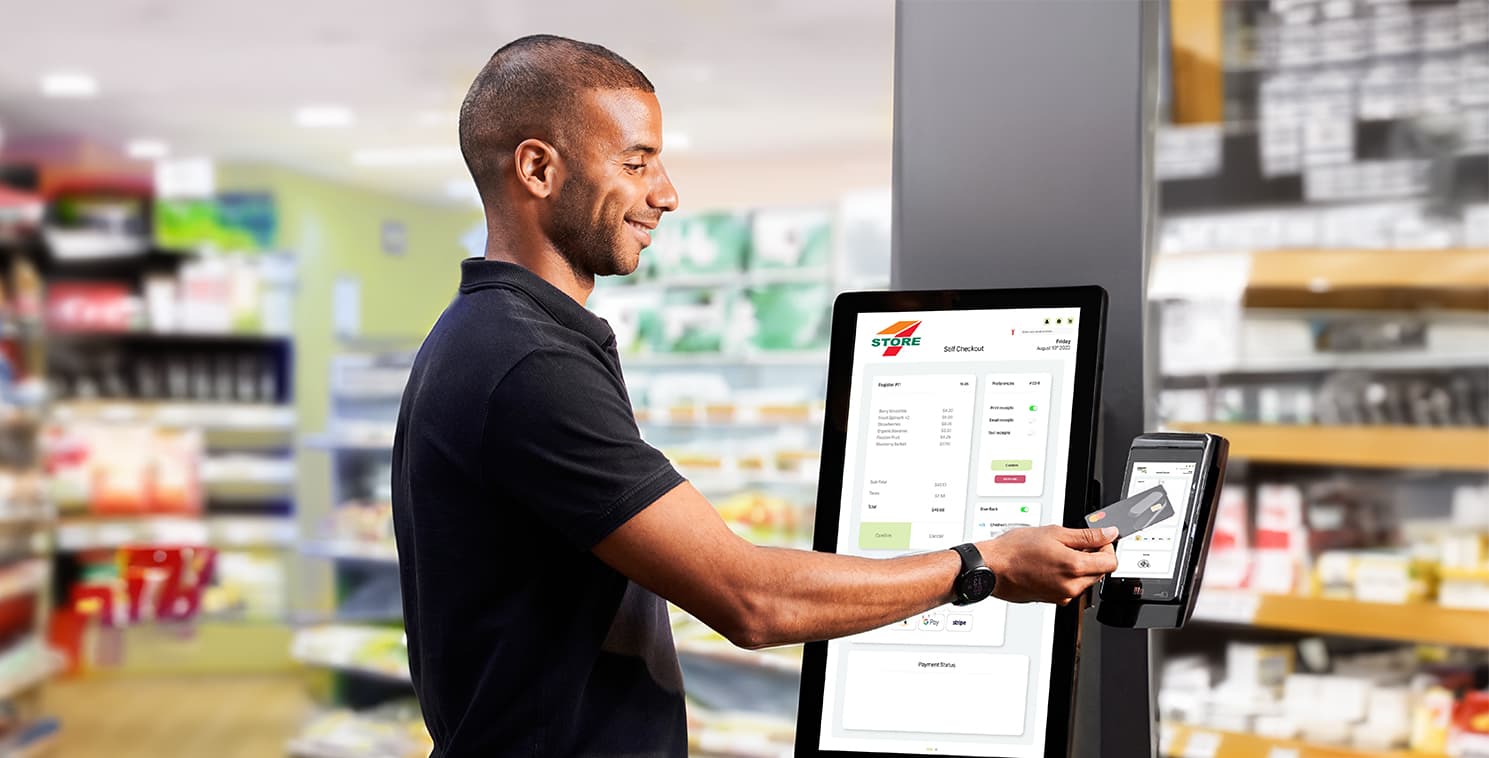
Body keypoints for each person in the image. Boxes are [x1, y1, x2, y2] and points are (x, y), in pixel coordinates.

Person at [390, 33, 1119, 758]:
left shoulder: (484, 333)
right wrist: (984, 564)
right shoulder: (528, 361)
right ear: (538, 168)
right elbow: (752, 601)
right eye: (635, 163)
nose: (665, 194)